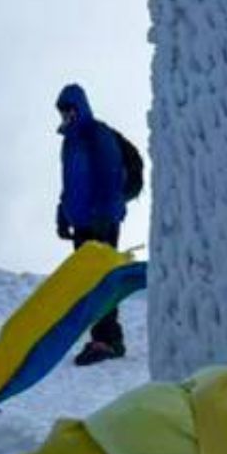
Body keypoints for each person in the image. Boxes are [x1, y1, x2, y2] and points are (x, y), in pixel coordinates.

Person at [54, 82, 130, 366]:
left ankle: (108, 341)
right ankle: (104, 337)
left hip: (102, 219)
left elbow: (109, 175)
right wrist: (63, 214)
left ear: (80, 108)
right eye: (62, 111)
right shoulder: (70, 142)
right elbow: (69, 184)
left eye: (69, 109)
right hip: (83, 221)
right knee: (89, 281)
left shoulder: (96, 134)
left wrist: (102, 214)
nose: (65, 115)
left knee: (101, 280)